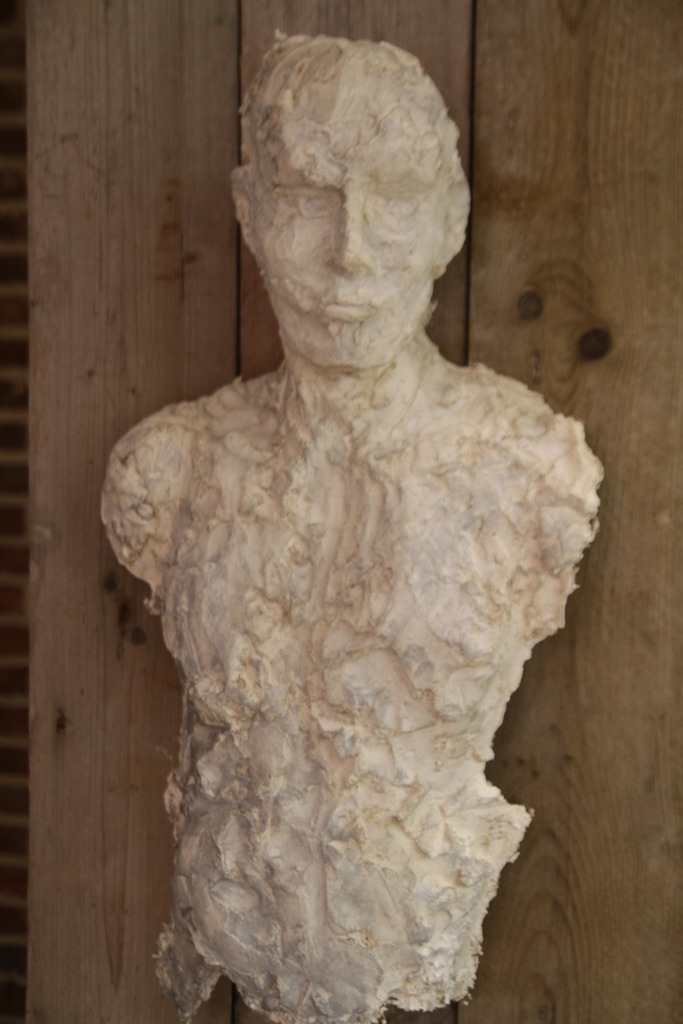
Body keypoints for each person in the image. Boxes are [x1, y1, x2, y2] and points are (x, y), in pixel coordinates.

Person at [102, 35, 602, 1024]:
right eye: (306, 196)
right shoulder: (169, 468)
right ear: (250, 212)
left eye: (396, 196)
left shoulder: (531, 470)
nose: (352, 251)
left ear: (450, 220)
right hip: (231, 939)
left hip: (416, 948)